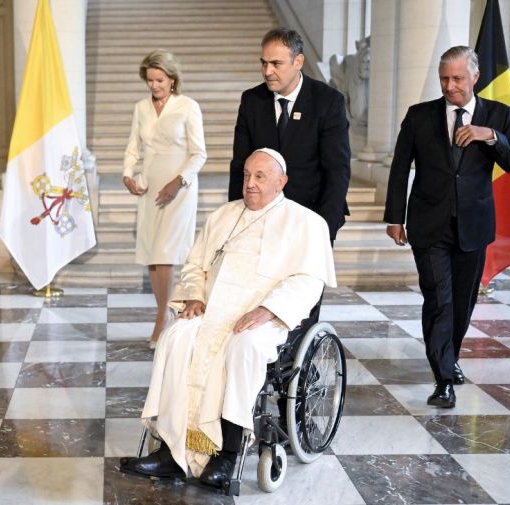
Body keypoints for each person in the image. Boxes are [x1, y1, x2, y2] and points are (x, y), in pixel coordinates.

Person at [120, 149, 335, 488]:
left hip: (266, 319)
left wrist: (269, 310)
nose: (250, 184)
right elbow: (194, 266)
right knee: (176, 337)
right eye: (247, 175)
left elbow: (309, 281)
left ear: (282, 182)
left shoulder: (306, 223)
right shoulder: (223, 215)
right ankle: (170, 451)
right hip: (211, 310)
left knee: (244, 346)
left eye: (260, 177)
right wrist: (194, 296)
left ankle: (227, 454)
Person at [384, 46, 510, 408]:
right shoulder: (419, 116)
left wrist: (489, 135)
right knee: (438, 300)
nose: (450, 86)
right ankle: (443, 377)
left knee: (462, 303)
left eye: (457, 78)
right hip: (429, 225)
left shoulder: (498, 115)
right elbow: (400, 168)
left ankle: (451, 356)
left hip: (474, 226)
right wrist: (394, 217)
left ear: (474, 77)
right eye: (444, 78)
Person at [228, 28, 350, 242]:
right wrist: (238, 218)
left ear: (298, 62)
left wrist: (325, 228)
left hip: (312, 218)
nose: (267, 71)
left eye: (276, 64)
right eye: (263, 63)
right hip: (261, 220)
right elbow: (240, 165)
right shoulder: (252, 101)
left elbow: (337, 170)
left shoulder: (328, 101)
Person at [122, 49, 207, 347]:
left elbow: (199, 153)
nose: (154, 86)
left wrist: (177, 182)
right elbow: (133, 147)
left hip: (179, 187)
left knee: (167, 252)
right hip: (150, 186)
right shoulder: (141, 108)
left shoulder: (188, 107)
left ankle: (162, 317)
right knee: (152, 253)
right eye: (150, 80)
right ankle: (164, 312)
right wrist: (127, 174)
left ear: (172, 79)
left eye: (159, 80)